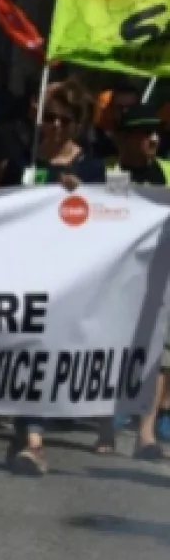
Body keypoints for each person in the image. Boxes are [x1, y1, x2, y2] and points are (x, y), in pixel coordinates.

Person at [97, 104, 169, 463]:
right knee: (111, 349)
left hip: (161, 272)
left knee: (159, 353)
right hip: (119, 274)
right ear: (124, 138)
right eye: (144, 133)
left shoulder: (166, 171)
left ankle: (145, 433)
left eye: (156, 132)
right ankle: (105, 427)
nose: (153, 139)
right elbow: (113, 218)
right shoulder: (110, 171)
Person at [0, 79, 104, 188]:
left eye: (65, 120)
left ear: (78, 124)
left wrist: (81, 189)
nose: (56, 124)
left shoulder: (92, 168)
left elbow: (96, 197)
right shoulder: (20, 162)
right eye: (50, 117)